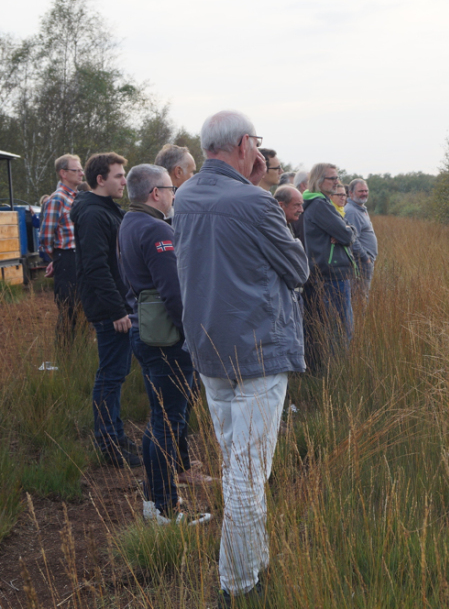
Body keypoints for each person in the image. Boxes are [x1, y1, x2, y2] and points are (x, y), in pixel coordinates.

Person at [174, 110, 308, 604]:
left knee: (237, 464)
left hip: (209, 351)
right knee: (249, 474)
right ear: (246, 143)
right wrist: (257, 191)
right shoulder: (257, 203)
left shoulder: (184, 197)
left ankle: (252, 560)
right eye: (256, 145)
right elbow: (297, 270)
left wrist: (251, 185)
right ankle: (239, 584)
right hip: (257, 353)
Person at [119, 164, 210, 525]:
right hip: (166, 339)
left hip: (147, 334)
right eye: (171, 188)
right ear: (155, 193)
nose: (175, 194)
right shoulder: (156, 228)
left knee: (161, 419)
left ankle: (155, 501)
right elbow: (173, 291)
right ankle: (165, 508)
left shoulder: (129, 222)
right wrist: (194, 333)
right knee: (167, 423)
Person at [70, 152, 140, 467]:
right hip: (110, 309)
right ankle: (109, 445)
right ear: (101, 179)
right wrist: (117, 311)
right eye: (118, 175)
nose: (124, 180)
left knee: (116, 373)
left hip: (118, 304)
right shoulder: (93, 214)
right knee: (110, 376)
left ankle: (116, 437)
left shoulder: (107, 210)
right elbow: (96, 267)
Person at [153, 142, 209, 486]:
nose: (196, 175)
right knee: (174, 403)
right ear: (178, 174)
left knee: (181, 400)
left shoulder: (172, 214)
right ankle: (177, 471)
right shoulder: (169, 220)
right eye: (192, 170)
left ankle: (182, 463)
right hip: (175, 326)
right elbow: (173, 283)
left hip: (179, 322)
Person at [301, 163, 358, 372]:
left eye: (337, 177)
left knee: (330, 327)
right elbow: (346, 235)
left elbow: (346, 231)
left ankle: (327, 370)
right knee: (341, 329)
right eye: (332, 178)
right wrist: (347, 232)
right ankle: (338, 372)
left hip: (326, 274)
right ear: (319, 181)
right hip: (332, 275)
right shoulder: (319, 205)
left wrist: (347, 230)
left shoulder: (319, 203)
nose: (337, 182)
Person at [38, 154, 85, 344]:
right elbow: (46, 237)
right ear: (63, 173)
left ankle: (80, 356)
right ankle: (66, 360)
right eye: (77, 170)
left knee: (82, 310)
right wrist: (57, 259)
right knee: (69, 311)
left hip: (79, 258)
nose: (82, 173)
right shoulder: (57, 199)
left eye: (81, 169)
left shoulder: (78, 197)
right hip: (67, 259)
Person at [345, 178, 377, 300]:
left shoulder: (360, 209)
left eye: (366, 190)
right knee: (359, 298)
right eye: (360, 191)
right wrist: (366, 259)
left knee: (363, 296)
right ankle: (359, 319)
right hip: (360, 263)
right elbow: (352, 240)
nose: (364, 193)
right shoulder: (352, 211)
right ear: (351, 193)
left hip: (364, 262)